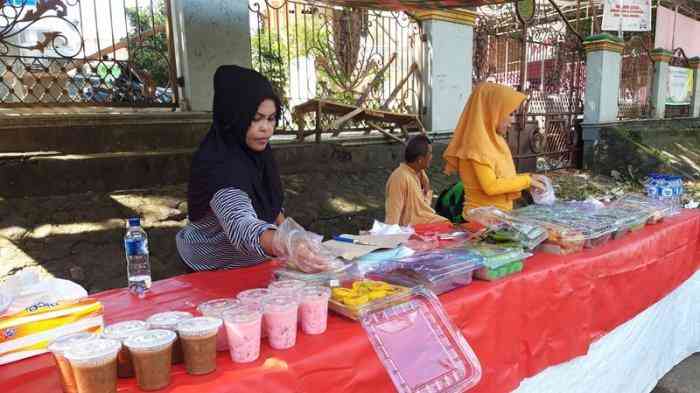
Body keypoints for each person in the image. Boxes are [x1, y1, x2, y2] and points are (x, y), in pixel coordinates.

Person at [176, 65, 331, 273]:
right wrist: (287, 243)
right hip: (212, 271)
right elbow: (241, 225)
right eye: (255, 119)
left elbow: (271, 206)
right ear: (234, 117)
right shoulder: (219, 165)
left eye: (271, 118)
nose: (266, 128)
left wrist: (292, 236)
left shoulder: (258, 153)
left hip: (256, 261)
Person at [442, 82, 546, 216]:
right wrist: (527, 181)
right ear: (492, 112)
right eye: (509, 113)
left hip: (498, 216)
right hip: (481, 219)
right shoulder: (476, 145)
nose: (512, 120)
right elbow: (491, 186)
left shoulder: (495, 140)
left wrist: (529, 178)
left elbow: (503, 178)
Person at [384, 135, 449, 226]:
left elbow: (422, 208)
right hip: (412, 231)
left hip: (427, 223)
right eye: (430, 153)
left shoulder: (418, 174)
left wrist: (427, 188)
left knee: (451, 225)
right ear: (420, 160)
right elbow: (393, 216)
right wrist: (392, 235)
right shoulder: (399, 178)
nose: (432, 157)